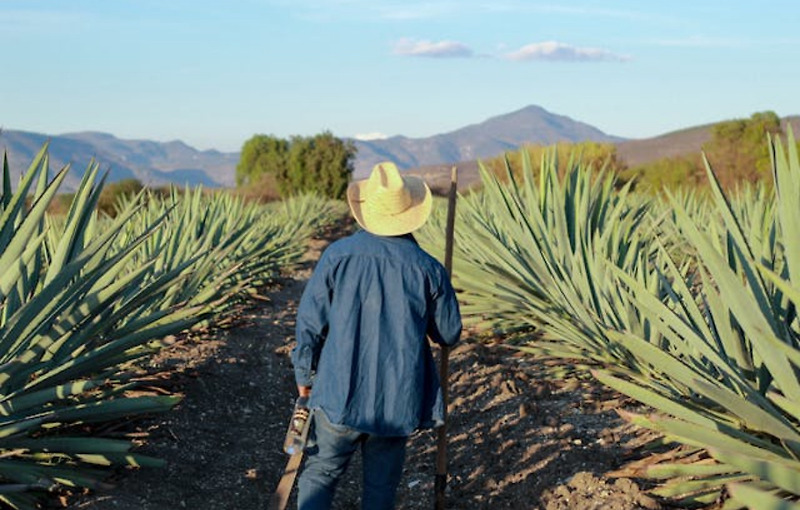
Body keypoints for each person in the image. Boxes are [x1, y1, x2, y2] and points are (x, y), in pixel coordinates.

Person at [291, 161, 462, 509]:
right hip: (397, 400)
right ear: (410, 212)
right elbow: (449, 334)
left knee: (321, 473)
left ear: (366, 209)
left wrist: (304, 374)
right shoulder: (429, 269)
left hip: (339, 390)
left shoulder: (337, 256)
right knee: (381, 489)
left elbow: (310, 321)